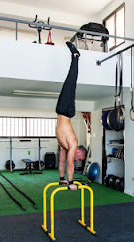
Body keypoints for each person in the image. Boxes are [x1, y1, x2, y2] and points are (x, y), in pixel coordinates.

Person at [56, 41, 87, 190]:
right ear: (79, 151)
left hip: (60, 110)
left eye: (79, 160)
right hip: (66, 111)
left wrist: (62, 179)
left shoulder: (65, 146)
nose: (77, 159)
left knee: (69, 82)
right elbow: (69, 163)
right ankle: (76, 56)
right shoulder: (73, 144)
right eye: (79, 157)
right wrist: (72, 182)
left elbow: (62, 163)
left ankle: (75, 57)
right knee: (71, 81)